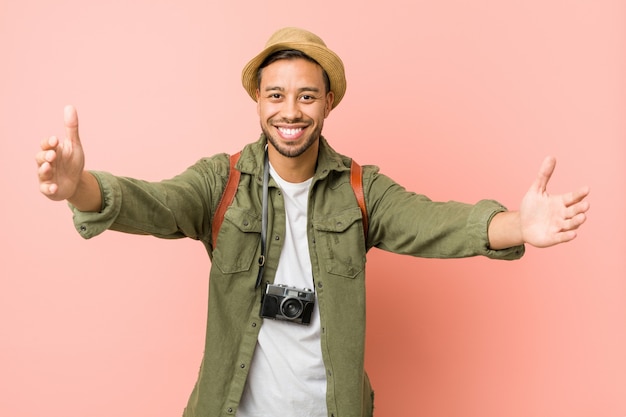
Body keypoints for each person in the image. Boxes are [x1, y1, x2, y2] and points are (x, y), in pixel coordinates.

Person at [35, 27, 590, 417]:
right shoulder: (221, 183)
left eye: (306, 96)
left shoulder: (360, 188)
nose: (290, 111)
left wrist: (521, 224)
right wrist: (80, 187)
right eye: (275, 95)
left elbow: (435, 223)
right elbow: (150, 202)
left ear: (328, 103)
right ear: (258, 101)